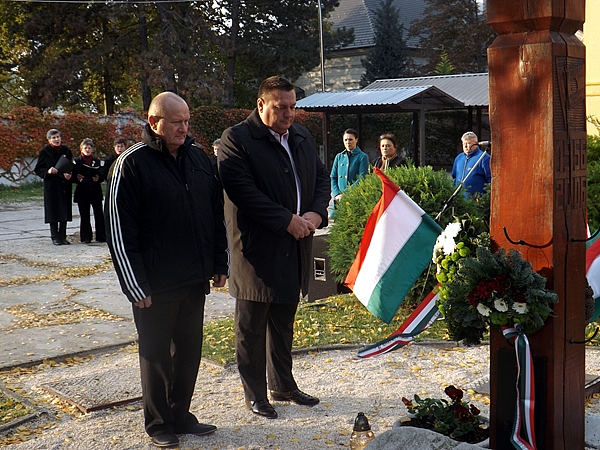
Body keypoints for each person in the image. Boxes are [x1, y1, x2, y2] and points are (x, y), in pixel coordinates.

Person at [104, 92, 228, 448]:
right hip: (154, 285)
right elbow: (119, 230)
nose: (183, 128)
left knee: (188, 353)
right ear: (153, 122)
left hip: (194, 278)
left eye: (187, 121)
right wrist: (134, 284)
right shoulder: (130, 164)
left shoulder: (198, 158)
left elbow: (214, 213)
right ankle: (158, 423)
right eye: (176, 122)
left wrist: (219, 262)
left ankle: (181, 415)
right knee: (156, 356)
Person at [218, 76, 330, 420]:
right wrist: (286, 220)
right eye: (281, 107)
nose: (289, 114)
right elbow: (243, 191)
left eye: (293, 107)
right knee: (251, 329)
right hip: (256, 251)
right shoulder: (236, 139)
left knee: (283, 322)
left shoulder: (301, 135)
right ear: (261, 104)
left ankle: (282, 385)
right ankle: (255, 394)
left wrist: (316, 213)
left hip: (295, 246)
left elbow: (321, 177)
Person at [34, 129, 73, 246]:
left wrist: (69, 174)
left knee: (64, 211)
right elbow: (38, 169)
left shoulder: (66, 150)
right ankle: (55, 237)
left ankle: (63, 236)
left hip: (64, 185)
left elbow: (71, 165)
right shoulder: (45, 152)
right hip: (52, 185)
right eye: (54, 138)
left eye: (58, 137)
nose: (56, 139)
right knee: (53, 211)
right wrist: (48, 171)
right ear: (49, 140)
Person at [72, 138, 106, 243]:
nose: (87, 150)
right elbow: (72, 175)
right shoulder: (76, 161)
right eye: (85, 148)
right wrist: (77, 178)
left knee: (99, 214)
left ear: (92, 149)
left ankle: (101, 236)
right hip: (82, 191)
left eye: (89, 148)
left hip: (95, 190)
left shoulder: (97, 161)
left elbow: (102, 174)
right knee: (85, 215)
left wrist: (98, 178)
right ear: (81, 149)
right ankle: (86, 237)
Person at [329, 129, 369, 217]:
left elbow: (362, 178)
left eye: (350, 139)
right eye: (345, 140)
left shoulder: (362, 157)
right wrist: (337, 194)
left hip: (354, 198)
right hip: (339, 200)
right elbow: (333, 177)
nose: (348, 142)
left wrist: (346, 194)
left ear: (356, 140)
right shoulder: (339, 157)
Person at [451, 131, 491, 197]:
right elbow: (454, 178)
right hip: (459, 199)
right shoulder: (459, 158)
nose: (465, 146)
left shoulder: (484, 158)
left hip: (477, 200)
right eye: (464, 143)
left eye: (468, 143)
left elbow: (490, 180)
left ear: (476, 144)